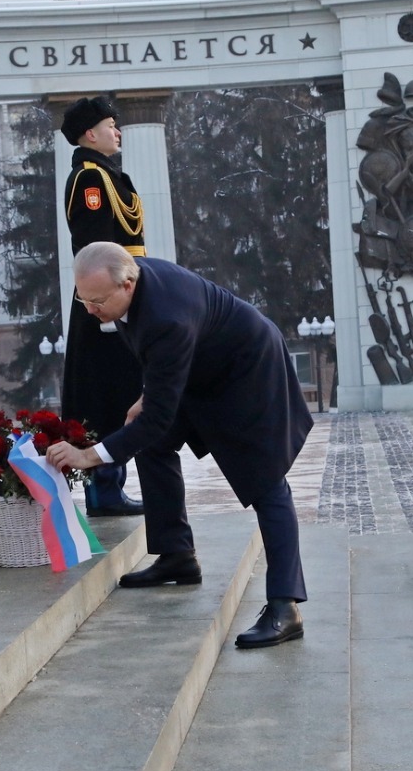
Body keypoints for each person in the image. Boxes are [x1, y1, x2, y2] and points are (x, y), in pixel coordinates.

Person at [45, 242, 313, 649]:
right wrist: (149, 394)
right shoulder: (127, 286)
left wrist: (89, 456)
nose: (90, 311)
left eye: (97, 301)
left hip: (250, 372)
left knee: (267, 486)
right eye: (83, 300)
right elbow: (160, 370)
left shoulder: (165, 315)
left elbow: (158, 410)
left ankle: (285, 606)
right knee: (155, 443)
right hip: (201, 371)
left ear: (128, 284)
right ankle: (176, 554)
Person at [59, 96, 145, 517]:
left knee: (121, 391)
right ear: (90, 133)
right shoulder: (90, 179)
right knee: (104, 398)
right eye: (112, 124)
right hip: (104, 305)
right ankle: (103, 492)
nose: (118, 131)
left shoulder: (109, 175)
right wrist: (106, 311)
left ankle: (112, 487)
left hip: (121, 298)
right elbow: (92, 247)